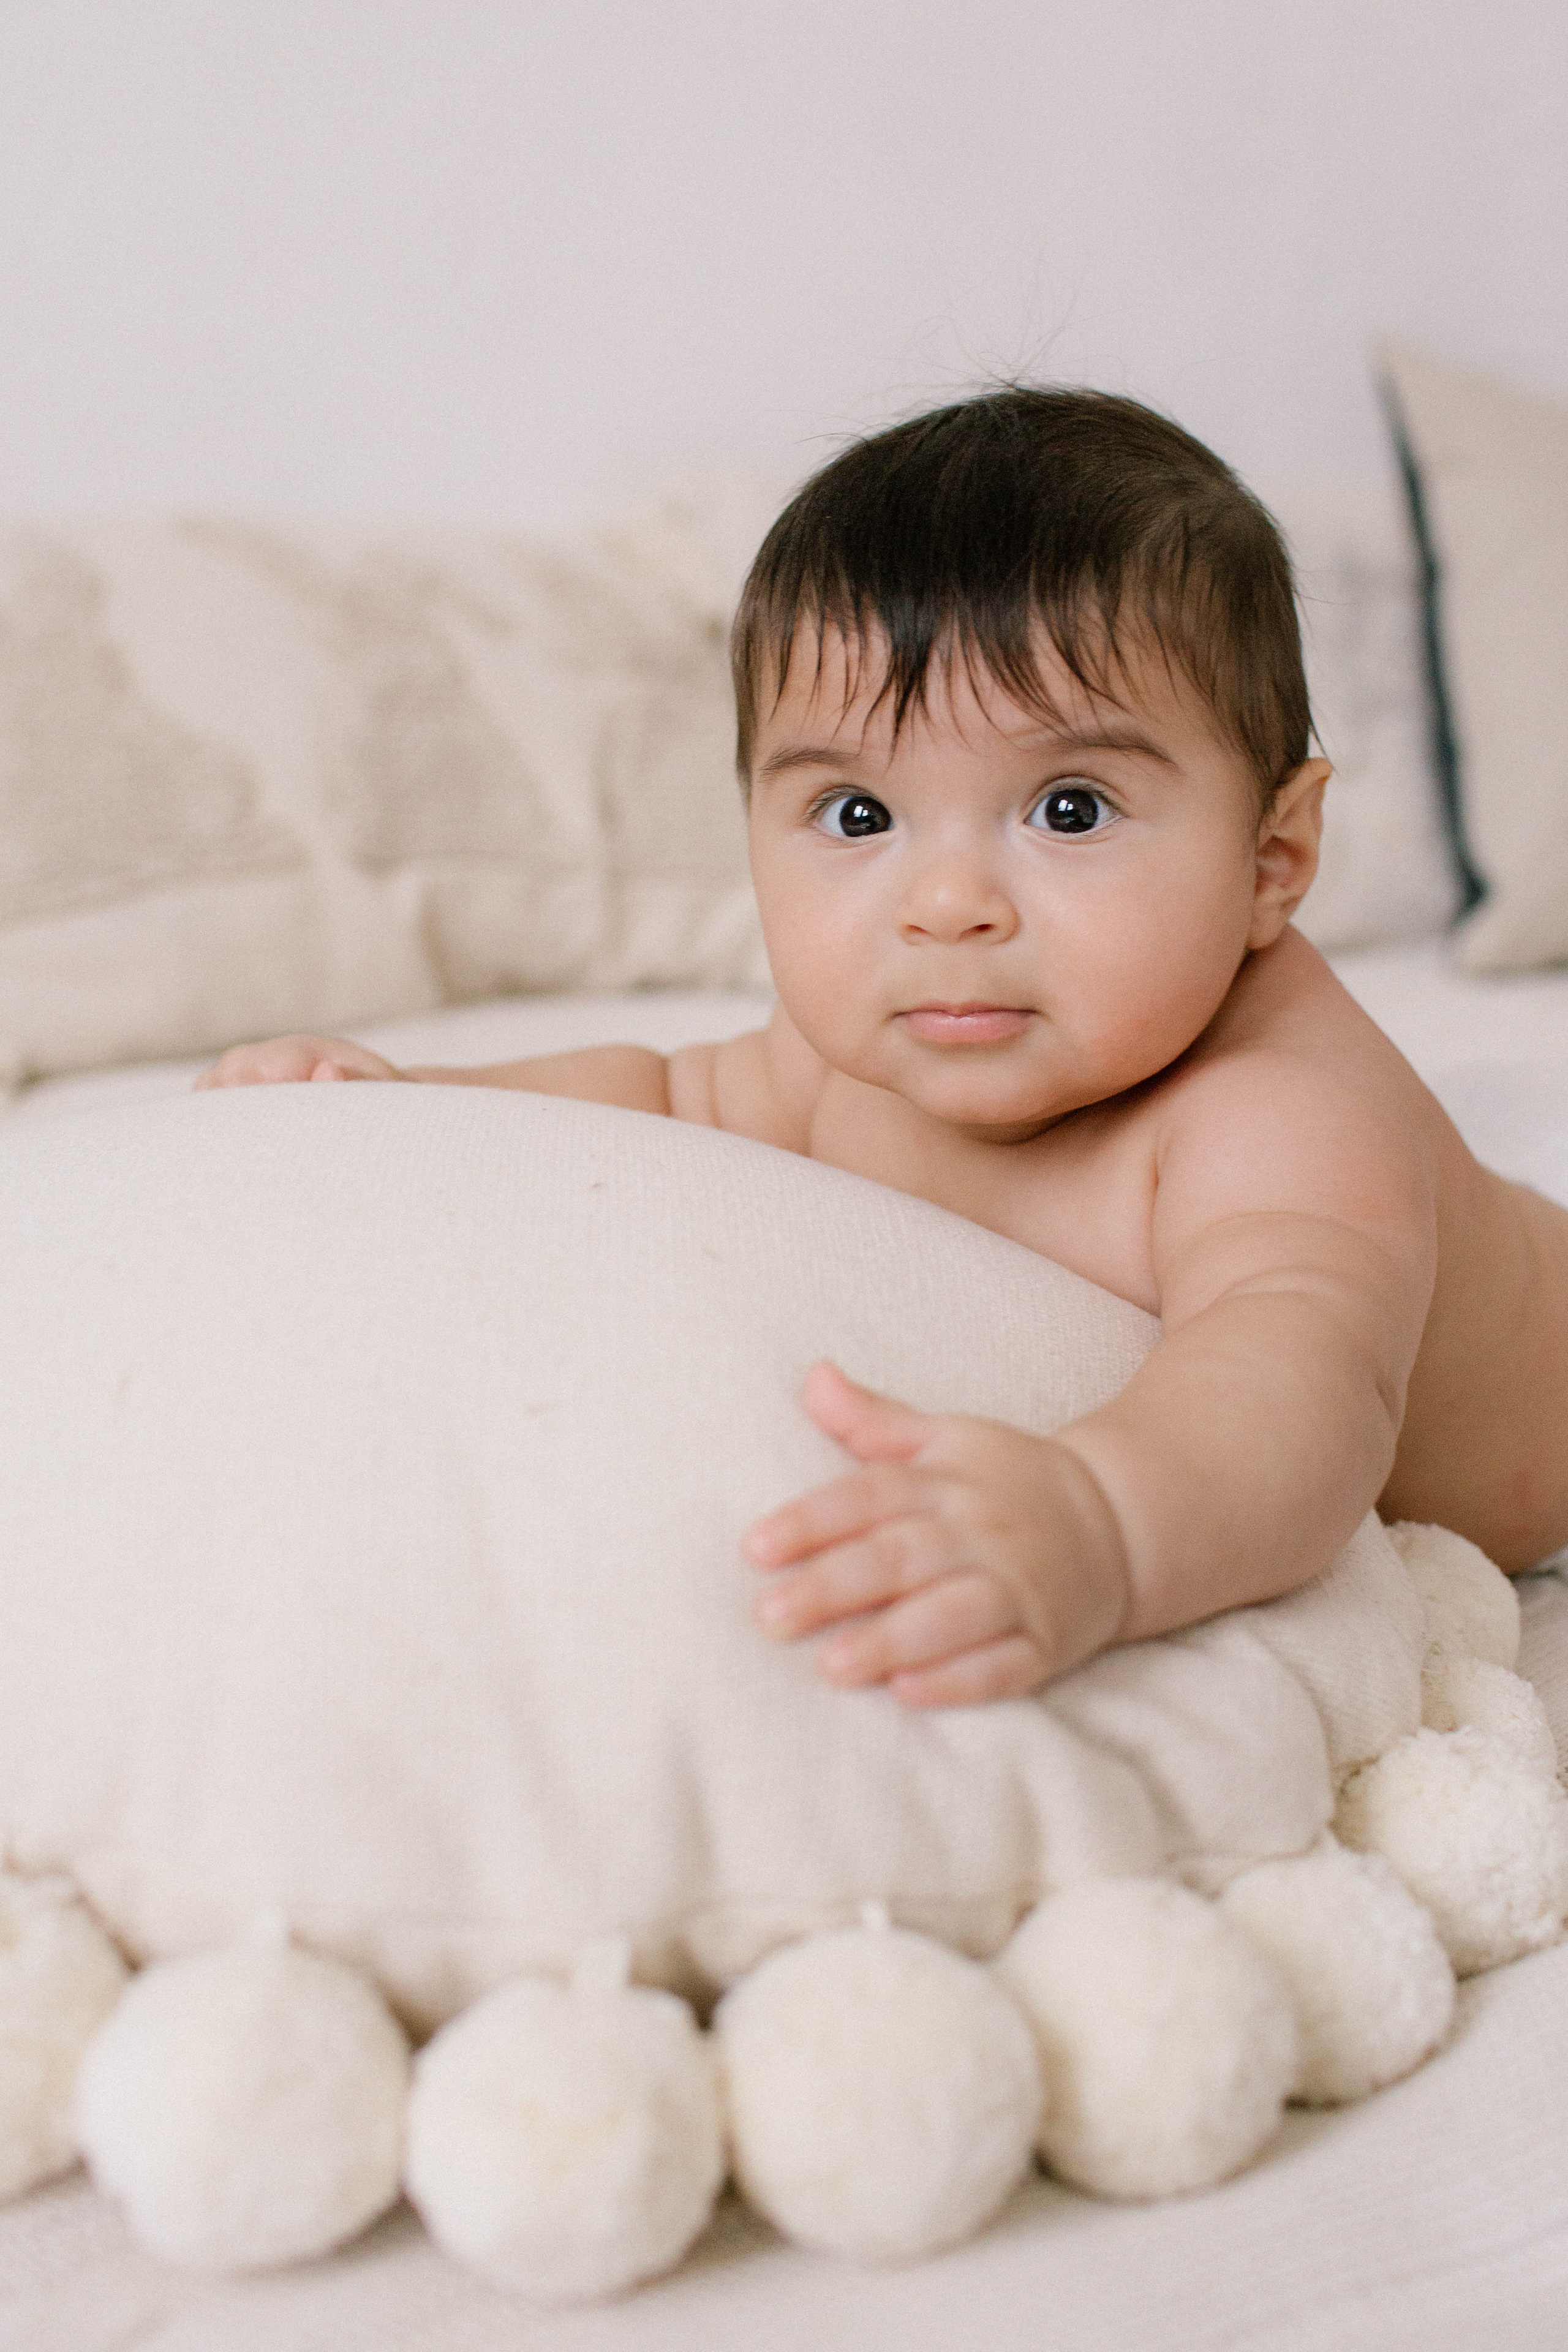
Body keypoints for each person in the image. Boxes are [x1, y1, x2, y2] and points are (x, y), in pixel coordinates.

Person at [196, 387, 1568, 1709]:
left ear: (1272, 859)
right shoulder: (863, 1045)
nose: (944, 905)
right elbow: (663, 1095)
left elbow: (1301, 1397)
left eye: (1069, 809)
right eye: (857, 818)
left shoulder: (1279, 1115)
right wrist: (402, 1099)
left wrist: (1096, 1519)